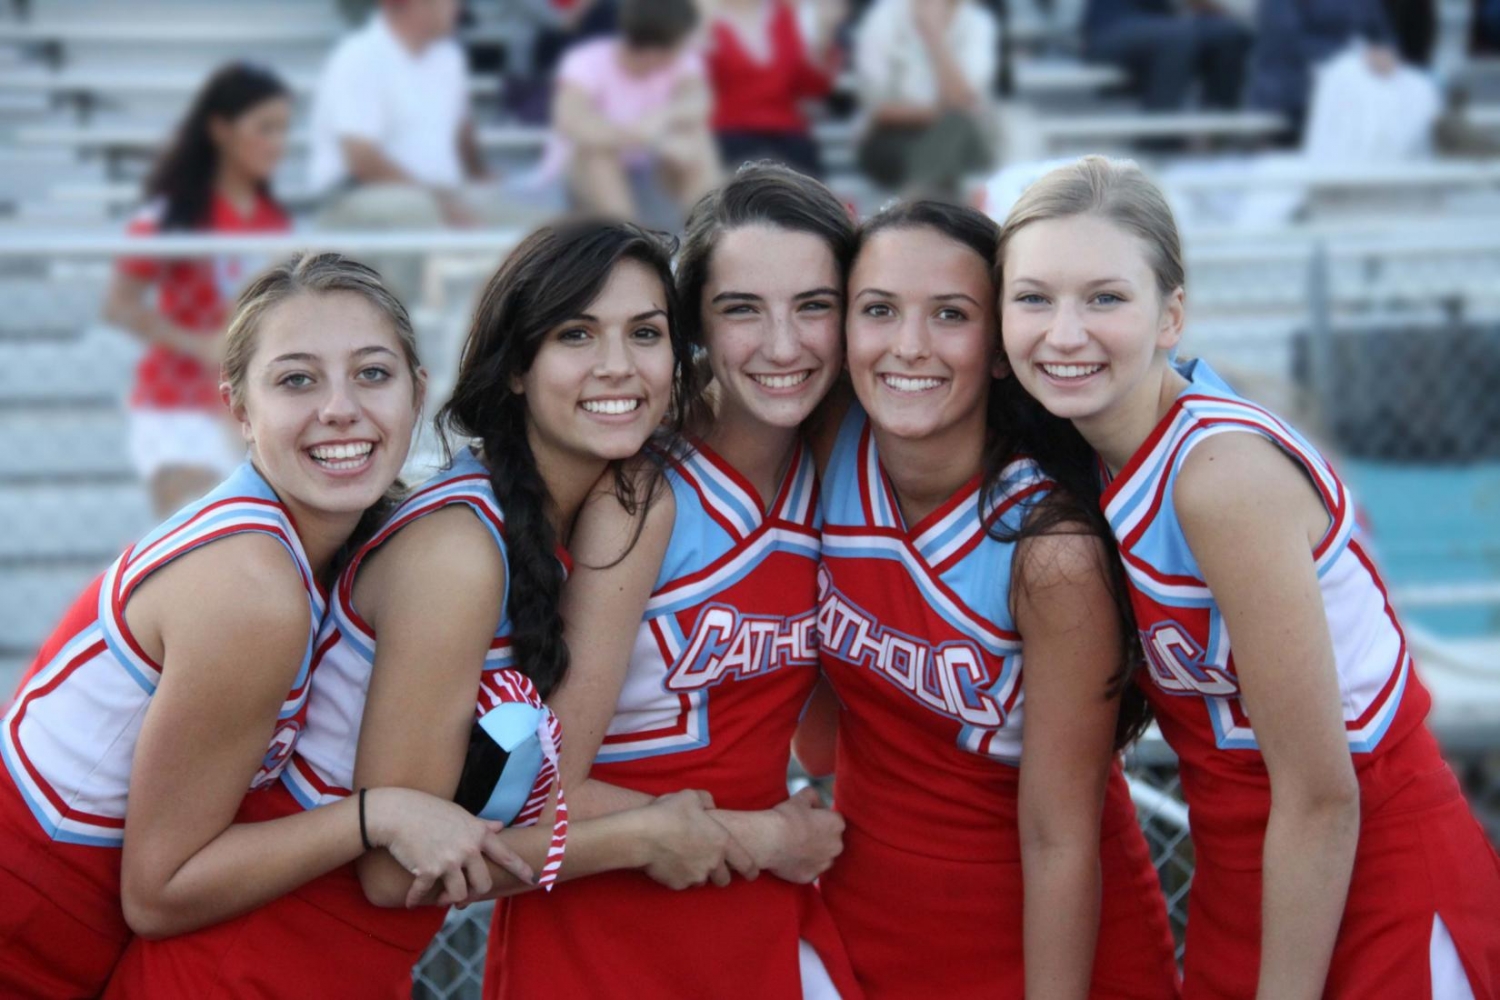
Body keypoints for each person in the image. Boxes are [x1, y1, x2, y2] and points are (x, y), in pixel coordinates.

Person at [103, 223, 750, 999]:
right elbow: (390, 869)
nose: (617, 365)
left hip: (343, 968)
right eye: (577, 332)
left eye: (645, 333)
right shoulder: (458, 554)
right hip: (242, 971)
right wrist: (641, 839)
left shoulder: (547, 525)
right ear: (515, 367)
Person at [997, 155, 1500, 998]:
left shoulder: (1218, 478)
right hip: (1258, 891)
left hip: (1374, 887)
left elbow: (1322, 796)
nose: (1065, 331)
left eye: (1105, 297)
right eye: (1034, 297)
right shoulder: (1101, 463)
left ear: (1172, 314)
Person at [1, 253, 527, 998]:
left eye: (372, 374)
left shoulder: (339, 541)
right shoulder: (252, 590)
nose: (340, 407)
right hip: (27, 930)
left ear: (417, 392)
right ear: (240, 410)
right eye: (297, 380)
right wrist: (377, 814)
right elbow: (157, 893)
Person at [487, 164, 864, 999]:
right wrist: (763, 835)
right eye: (741, 310)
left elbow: (814, 740)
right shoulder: (642, 494)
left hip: (757, 912)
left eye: (814, 305)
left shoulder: (835, 472)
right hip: (607, 922)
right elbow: (543, 794)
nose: (782, 346)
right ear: (693, 321)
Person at [799, 200, 1181, 998]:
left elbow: (1058, 837)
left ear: (1002, 345)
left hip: (1044, 934)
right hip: (863, 913)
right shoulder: (829, 441)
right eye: (878, 310)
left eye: (951, 315)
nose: (909, 347)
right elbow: (821, 743)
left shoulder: (1047, 551)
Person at [103, 63, 293, 519]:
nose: (277, 143)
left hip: (252, 409)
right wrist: (200, 345)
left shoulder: (275, 220)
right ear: (221, 130)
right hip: (179, 405)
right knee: (193, 544)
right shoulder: (173, 216)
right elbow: (118, 304)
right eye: (264, 128)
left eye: (284, 129)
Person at [546, 0, 721, 224]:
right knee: (597, 154)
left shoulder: (682, 61)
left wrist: (661, 119)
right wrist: (643, 137)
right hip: (590, 172)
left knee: (696, 141)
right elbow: (572, 121)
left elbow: (697, 101)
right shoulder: (586, 61)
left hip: (653, 165)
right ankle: (628, 237)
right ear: (656, 51)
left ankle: (705, 231)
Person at [852, 0, 998, 196]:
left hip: (962, 141)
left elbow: (964, 101)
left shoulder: (977, 23)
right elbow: (878, 108)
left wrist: (934, 37)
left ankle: (918, 203)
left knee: (956, 130)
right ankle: (926, 203)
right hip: (893, 137)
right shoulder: (885, 16)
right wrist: (941, 114)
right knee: (951, 141)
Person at [706, 0, 844, 177]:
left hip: (788, 135)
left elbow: (812, 87)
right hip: (731, 133)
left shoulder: (786, 16)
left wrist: (824, 35)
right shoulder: (708, 20)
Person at [1081, 0, 1252, 113]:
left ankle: (1219, 134)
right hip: (1110, 29)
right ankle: (1159, 141)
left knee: (1229, 34)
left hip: (1164, 24)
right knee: (1177, 36)